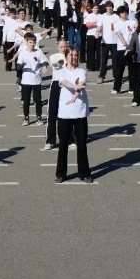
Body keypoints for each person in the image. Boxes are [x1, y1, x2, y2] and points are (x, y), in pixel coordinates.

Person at [54, 47, 92, 183]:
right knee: (63, 145)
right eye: (72, 55)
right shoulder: (60, 71)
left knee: (82, 144)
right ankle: (61, 174)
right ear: (66, 56)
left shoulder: (82, 71)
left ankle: (85, 173)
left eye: (76, 55)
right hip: (65, 113)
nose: (74, 57)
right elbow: (64, 83)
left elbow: (81, 84)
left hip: (80, 112)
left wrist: (75, 97)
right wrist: (74, 88)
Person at [42, 37, 68, 151]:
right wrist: (64, 61)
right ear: (57, 46)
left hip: (68, 85)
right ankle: (50, 141)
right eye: (61, 46)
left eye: (65, 46)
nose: (63, 48)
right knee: (52, 113)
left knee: (68, 114)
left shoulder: (71, 55)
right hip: (56, 84)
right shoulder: (53, 56)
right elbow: (56, 65)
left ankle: (70, 139)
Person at [15, 32, 46, 125]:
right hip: (26, 81)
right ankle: (26, 117)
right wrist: (21, 66)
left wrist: (44, 66)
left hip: (36, 81)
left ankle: (39, 117)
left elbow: (44, 61)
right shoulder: (23, 53)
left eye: (34, 42)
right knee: (26, 101)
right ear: (26, 42)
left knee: (38, 100)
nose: (32, 44)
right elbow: (18, 66)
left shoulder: (38, 52)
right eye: (30, 42)